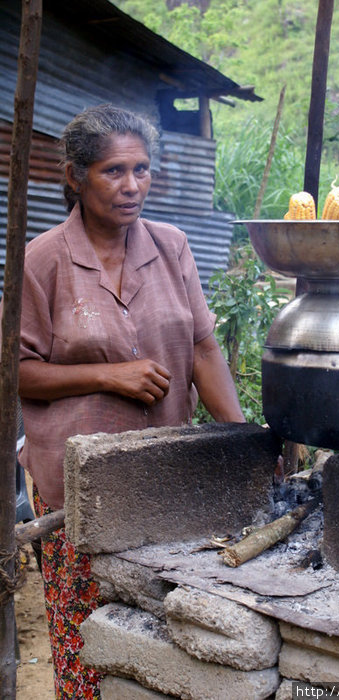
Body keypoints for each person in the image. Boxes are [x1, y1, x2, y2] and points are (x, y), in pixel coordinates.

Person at [13, 104, 245, 698]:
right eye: (113, 171)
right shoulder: (43, 260)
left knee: (161, 635)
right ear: (74, 177)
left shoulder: (172, 247)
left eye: (142, 169)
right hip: (78, 486)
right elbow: (19, 373)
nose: (132, 186)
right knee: (91, 636)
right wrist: (108, 375)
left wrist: (243, 440)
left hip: (166, 475)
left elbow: (202, 349)